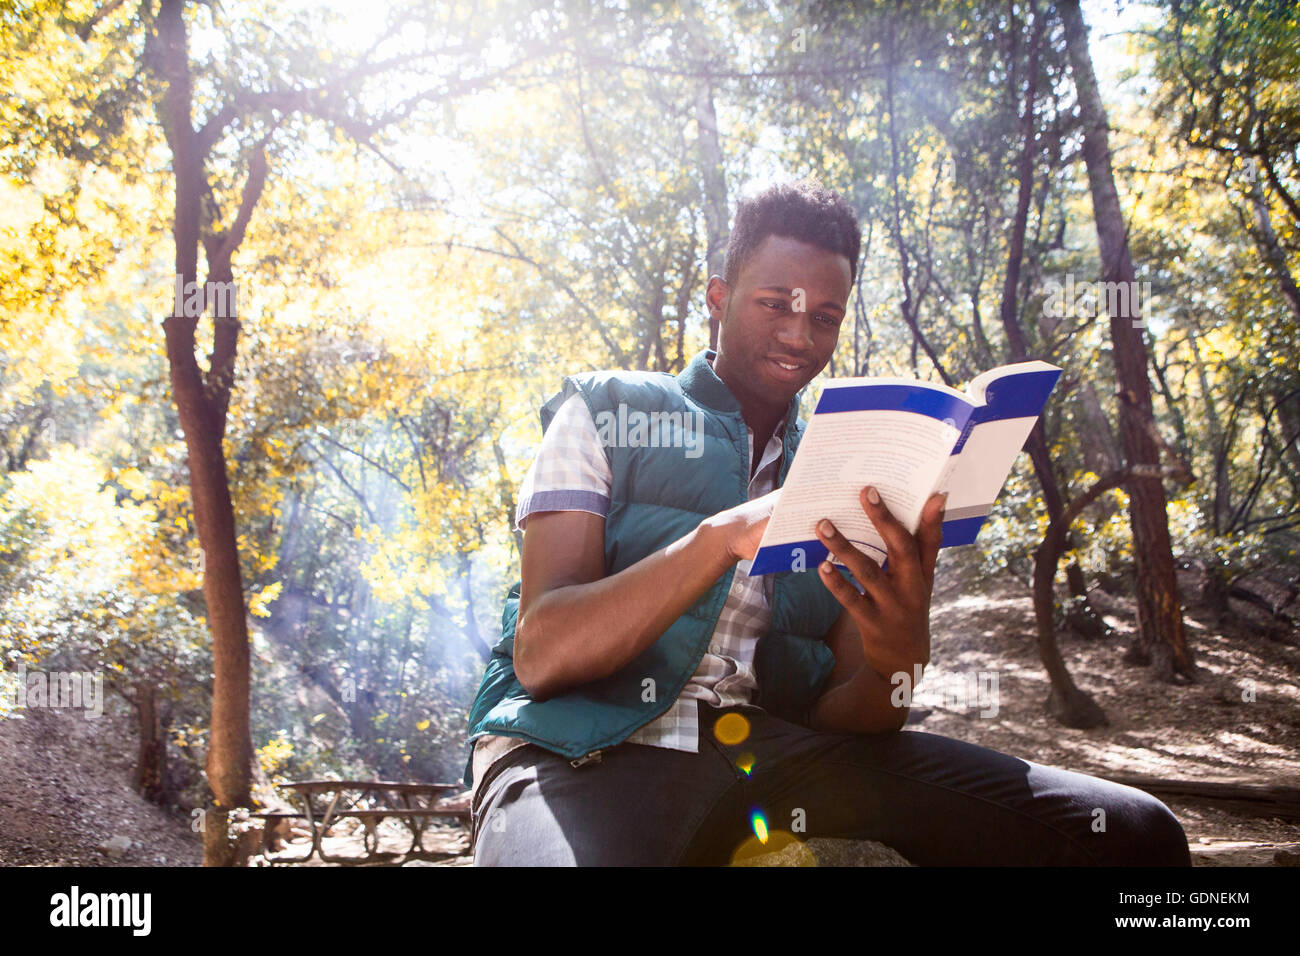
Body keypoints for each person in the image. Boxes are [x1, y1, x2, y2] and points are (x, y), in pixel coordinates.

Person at [463, 178, 1192, 867]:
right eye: (776, 303)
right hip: (580, 753)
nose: (799, 336)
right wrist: (719, 539)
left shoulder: (852, 467)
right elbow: (543, 654)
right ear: (718, 297)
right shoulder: (605, 410)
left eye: (825, 316)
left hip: (770, 757)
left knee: (1134, 836)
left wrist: (898, 646)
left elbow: (857, 718)